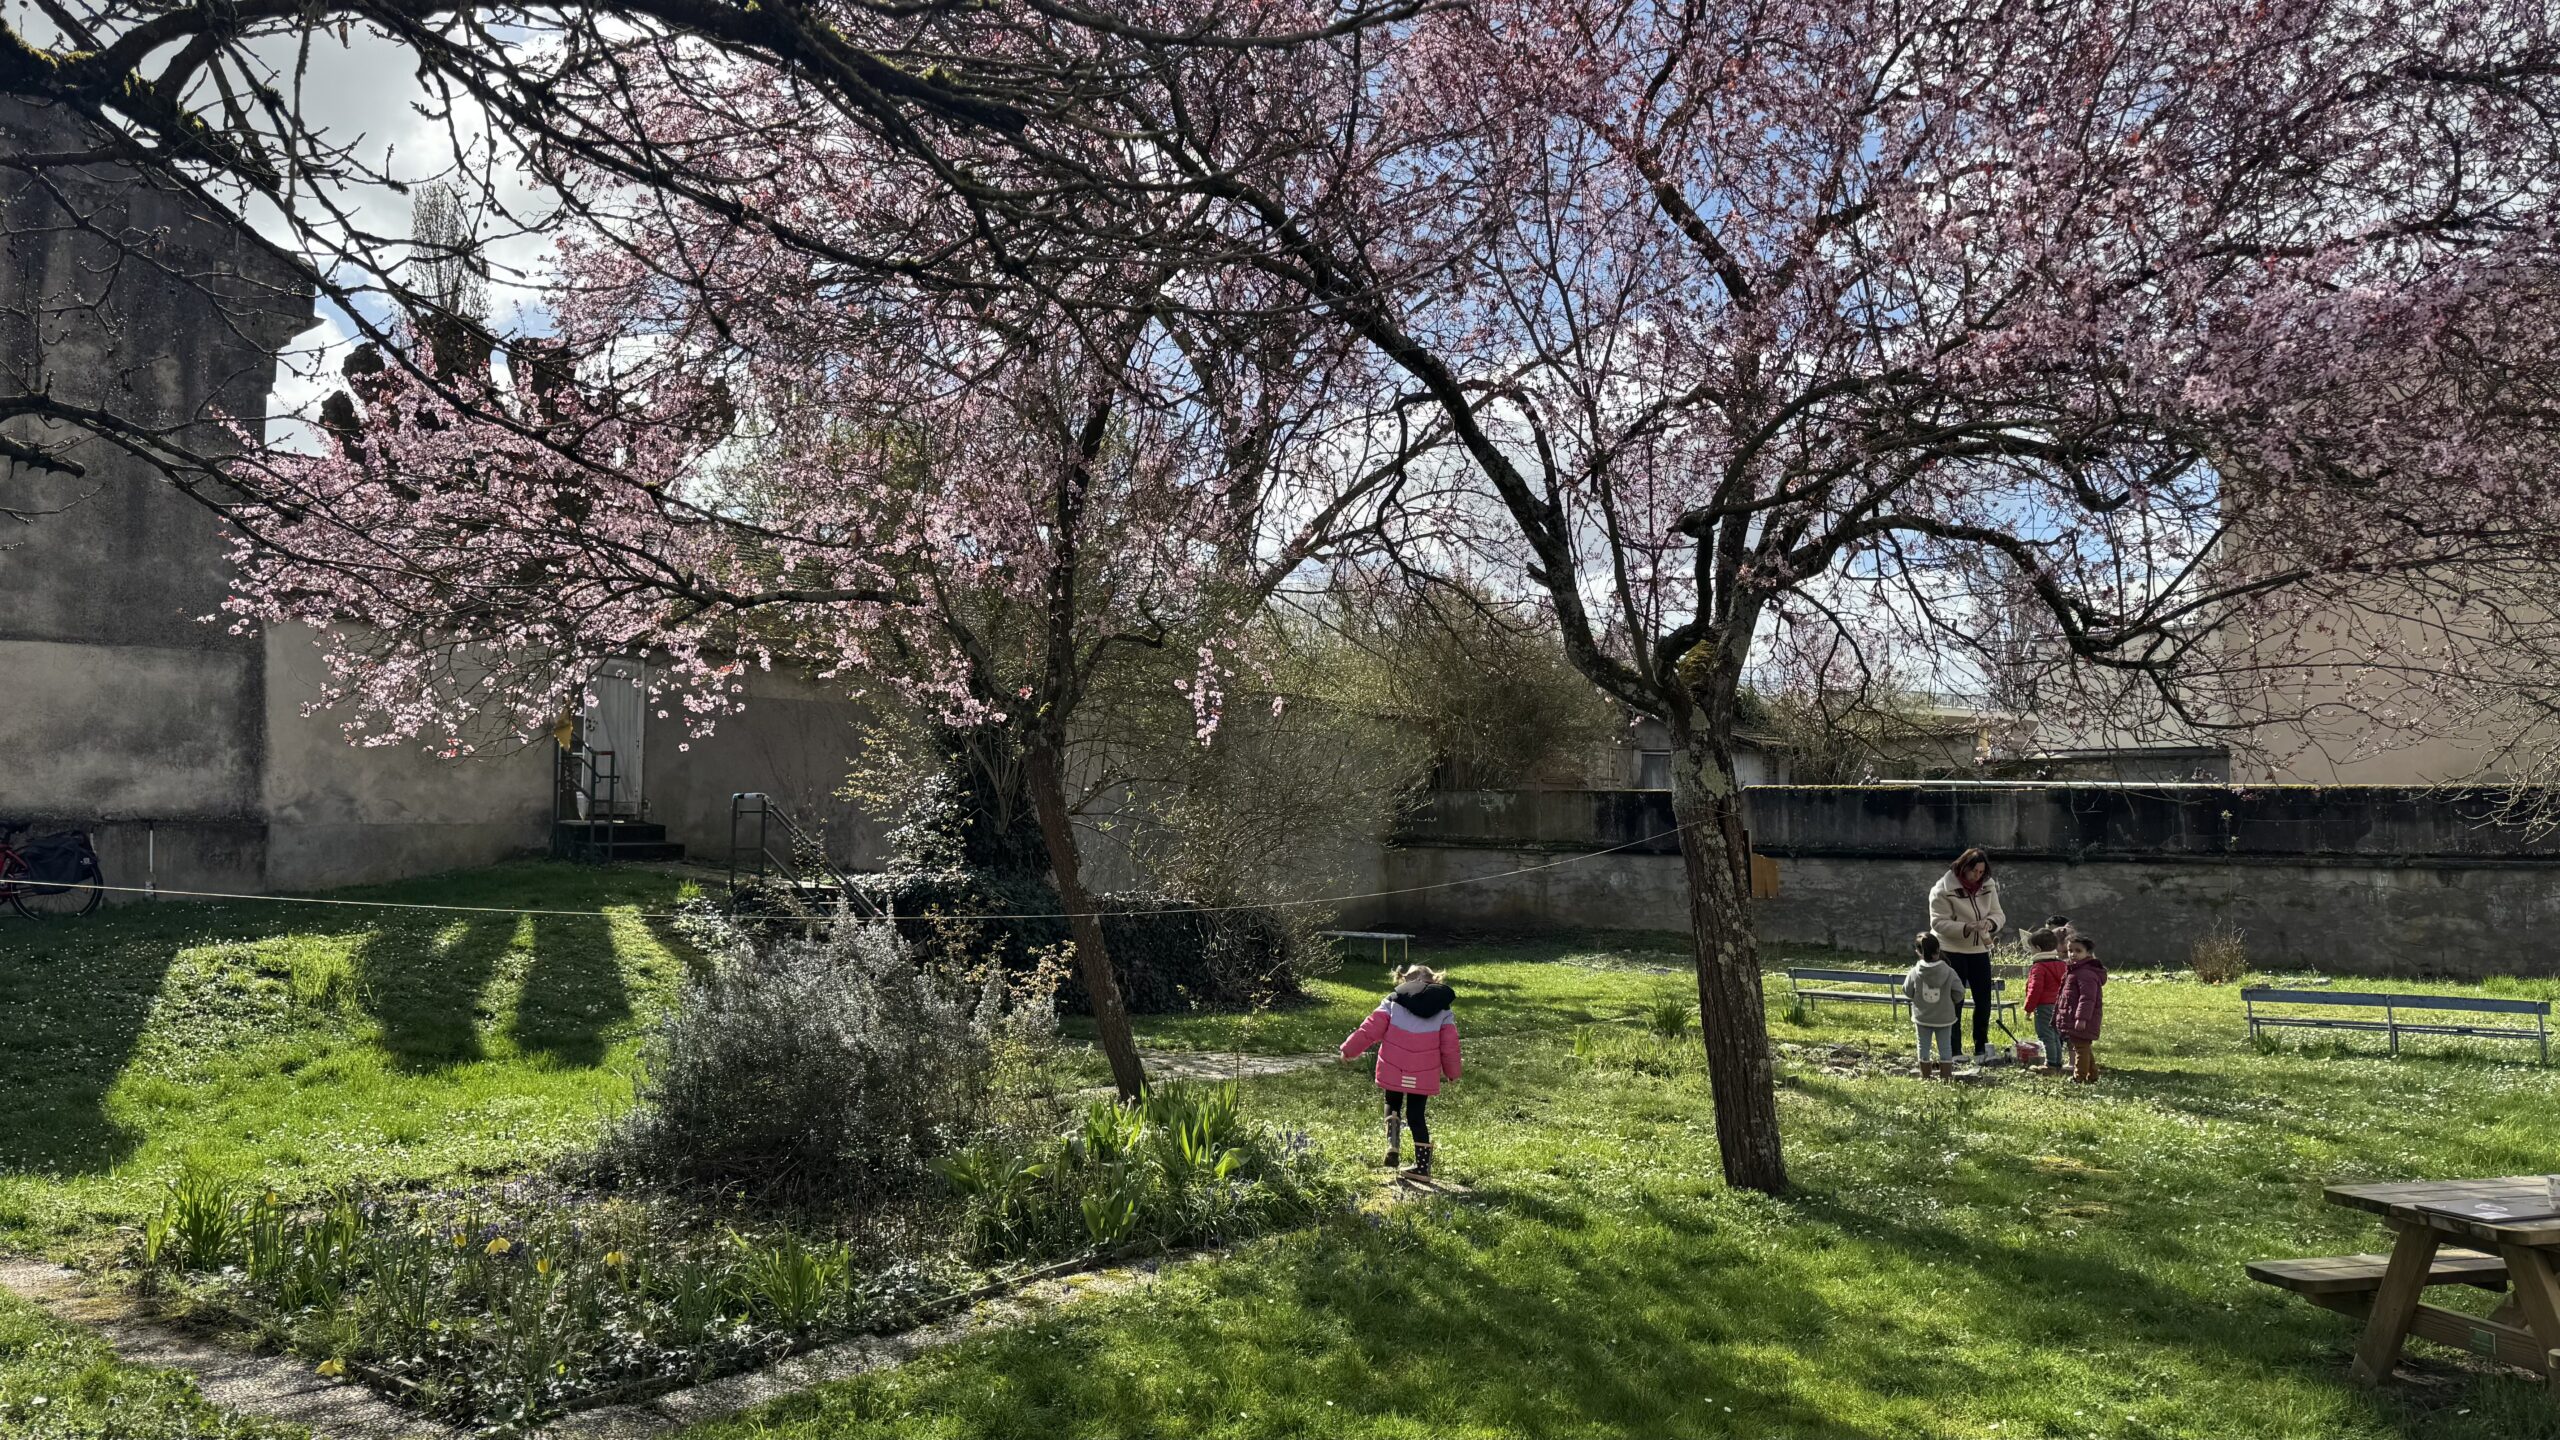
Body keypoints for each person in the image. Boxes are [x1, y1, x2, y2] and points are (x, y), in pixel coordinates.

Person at [1339, 964, 1463, 1176]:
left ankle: (1393, 1144)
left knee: (1392, 1102)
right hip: (1424, 1072)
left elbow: (1369, 1029)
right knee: (1416, 1115)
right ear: (1434, 981)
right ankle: (1422, 1168)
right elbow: (1450, 1045)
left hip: (1393, 1066)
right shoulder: (1443, 1010)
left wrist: (1350, 1050)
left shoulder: (1392, 1002)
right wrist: (1452, 1072)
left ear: (1404, 980)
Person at [1927, 847, 2007, 1065]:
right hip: (1951, 950)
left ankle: (1981, 1047)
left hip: (1979, 950)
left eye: (1981, 872)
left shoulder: (1988, 885)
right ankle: (1954, 1049)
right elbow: (1938, 923)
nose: (1977, 876)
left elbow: (1998, 914)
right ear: (1963, 868)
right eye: (1974, 872)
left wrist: (1990, 923)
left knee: (1984, 1001)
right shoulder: (1942, 889)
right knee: (1955, 1000)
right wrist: (1966, 927)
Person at [1902, 932, 1966, 1080]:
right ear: (1938, 950)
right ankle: (1946, 1078)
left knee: (1923, 1046)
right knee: (1945, 1047)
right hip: (1944, 1017)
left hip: (1922, 1016)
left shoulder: (1915, 972)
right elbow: (1959, 992)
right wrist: (1950, 1001)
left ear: (1918, 952)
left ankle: (1925, 1076)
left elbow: (1907, 991)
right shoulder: (1949, 971)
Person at [2056, 933, 2109, 1083]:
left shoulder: (2085, 974)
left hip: (2082, 1019)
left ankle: (2079, 1077)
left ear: (2088, 953)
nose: (2073, 954)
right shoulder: (2074, 971)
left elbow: (2087, 998)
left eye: (2078, 951)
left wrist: (2082, 1018)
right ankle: (2092, 1075)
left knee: (2081, 1048)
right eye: (2070, 950)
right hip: (2073, 1016)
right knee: (2083, 1046)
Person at [2022, 926, 2068, 1075]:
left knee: (2046, 1035)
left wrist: (2028, 1008)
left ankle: (2051, 1064)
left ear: (2037, 948)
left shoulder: (2038, 967)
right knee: (2056, 1034)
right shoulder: (2062, 965)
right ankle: (2057, 1062)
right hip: (2060, 1005)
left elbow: (2035, 989)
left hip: (2044, 1006)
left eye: (2031, 948)